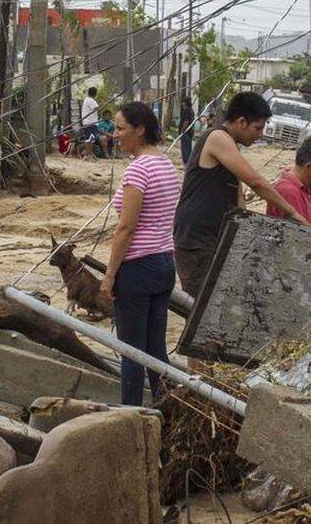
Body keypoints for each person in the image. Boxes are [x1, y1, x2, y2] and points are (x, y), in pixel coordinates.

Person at [173, 92, 311, 298]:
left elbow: (238, 199)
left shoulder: (231, 148)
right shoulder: (217, 137)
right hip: (197, 241)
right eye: (258, 128)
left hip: (214, 238)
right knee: (202, 308)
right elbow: (255, 182)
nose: (260, 135)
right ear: (241, 122)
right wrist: (293, 213)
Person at [100, 102, 180, 406]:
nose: (116, 134)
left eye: (121, 128)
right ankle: (167, 409)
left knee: (131, 351)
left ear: (140, 130)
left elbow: (126, 228)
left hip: (137, 268)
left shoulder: (139, 169)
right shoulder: (165, 165)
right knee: (156, 351)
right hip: (163, 265)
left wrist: (109, 275)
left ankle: (129, 416)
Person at [179, 97, 195, 165]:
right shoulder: (191, 110)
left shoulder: (186, 110)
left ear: (184, 103)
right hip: (190, 132)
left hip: (186, 132)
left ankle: (186, 163)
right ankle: (188, 162)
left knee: (185, 149)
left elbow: (186, 121)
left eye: (182, 102)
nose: (182, 104)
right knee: (188, 148)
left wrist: (182, 131)